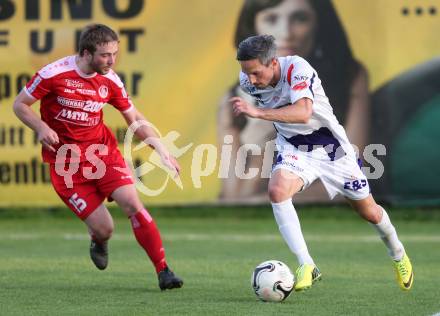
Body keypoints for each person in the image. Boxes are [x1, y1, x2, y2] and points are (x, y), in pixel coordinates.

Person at [230, 34, 413, 291]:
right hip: (294, 148)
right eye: (246, 72)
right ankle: (307, 265)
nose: (250, 80)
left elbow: (303, 113)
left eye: (256, 73)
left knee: (369, 212)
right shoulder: (248, 82)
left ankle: (398, 254)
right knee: (277, 191)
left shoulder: (297, 68)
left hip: (332, 150)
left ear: (273, 63)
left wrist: (258, 113)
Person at [12, 24, 183, 291]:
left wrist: (161, 150)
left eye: (114, 54)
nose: (111, 61)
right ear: (85, 53)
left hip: (101, 154)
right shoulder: (53, 74)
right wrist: (41, 127)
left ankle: (164, 271)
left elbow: (135, 119)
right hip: (65, 164)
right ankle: (99, 239)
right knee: (106, 228)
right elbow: (19, 104)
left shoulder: (111, 79)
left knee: (132, 204)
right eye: (105, 55)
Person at [218, 0, 369, 202]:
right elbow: (236, 195)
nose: (286, 32)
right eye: (271, 19)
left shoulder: (348, 78)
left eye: (300, 18)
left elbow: (352, 180)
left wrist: (269, 200)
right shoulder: (233, 101)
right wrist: (262, 143)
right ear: (253, 27)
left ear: (318, 24)